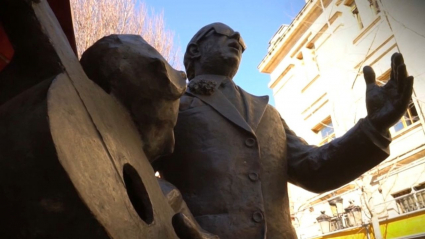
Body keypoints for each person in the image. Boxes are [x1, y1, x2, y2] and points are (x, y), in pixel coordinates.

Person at [154, 22, 414, 238]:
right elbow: (137, 166)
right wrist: (180, 218)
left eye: (241, 40)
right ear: (195, 50)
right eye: (224, 33)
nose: (236, 37)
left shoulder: (268, 113)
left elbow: (314, 167)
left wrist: (374, 125)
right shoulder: (172, 102)